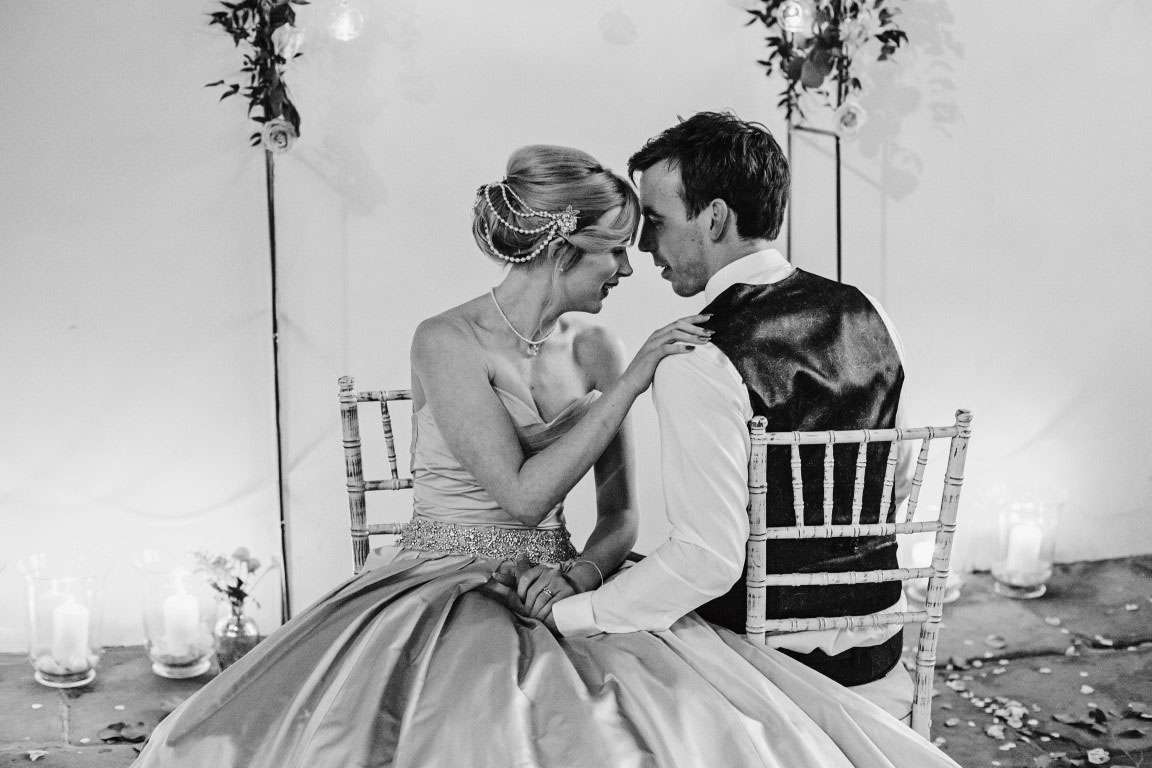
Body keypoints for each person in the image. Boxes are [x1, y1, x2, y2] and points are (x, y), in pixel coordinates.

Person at [131, 144, 956, 767]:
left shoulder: (596, 345)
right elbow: (521, 497)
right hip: (440, 580)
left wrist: (585, 574)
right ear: (563, 250)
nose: (630, 266)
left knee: (667, 729)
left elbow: (621, 516)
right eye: (615, 249)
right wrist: (630, 385)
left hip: (561, 579)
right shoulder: (446, 341)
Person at [548, 111, 918, 718]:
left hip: (773, 656)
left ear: (715, 218)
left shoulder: (699, 356)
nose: (643, 246)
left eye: (656, 221)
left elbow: (706, 562)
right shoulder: (867, 311)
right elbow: (893, 479)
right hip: (882, 638)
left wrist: (573, 615)